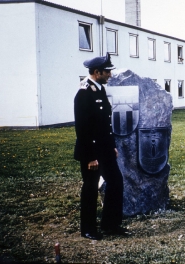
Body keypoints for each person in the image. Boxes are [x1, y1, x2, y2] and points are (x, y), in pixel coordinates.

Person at [74, 53, 130, 240]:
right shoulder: (84, 93)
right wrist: (89, 157)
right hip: (91, 151)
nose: (110, 75)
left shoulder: (99, 90)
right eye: (107, 72)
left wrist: (112, 145)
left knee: (116, 182)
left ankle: (111, 224)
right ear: (96, 72)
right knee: (90, 188)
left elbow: (105, 122)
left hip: (105, 149)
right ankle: (88, 229)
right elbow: (82, 128)